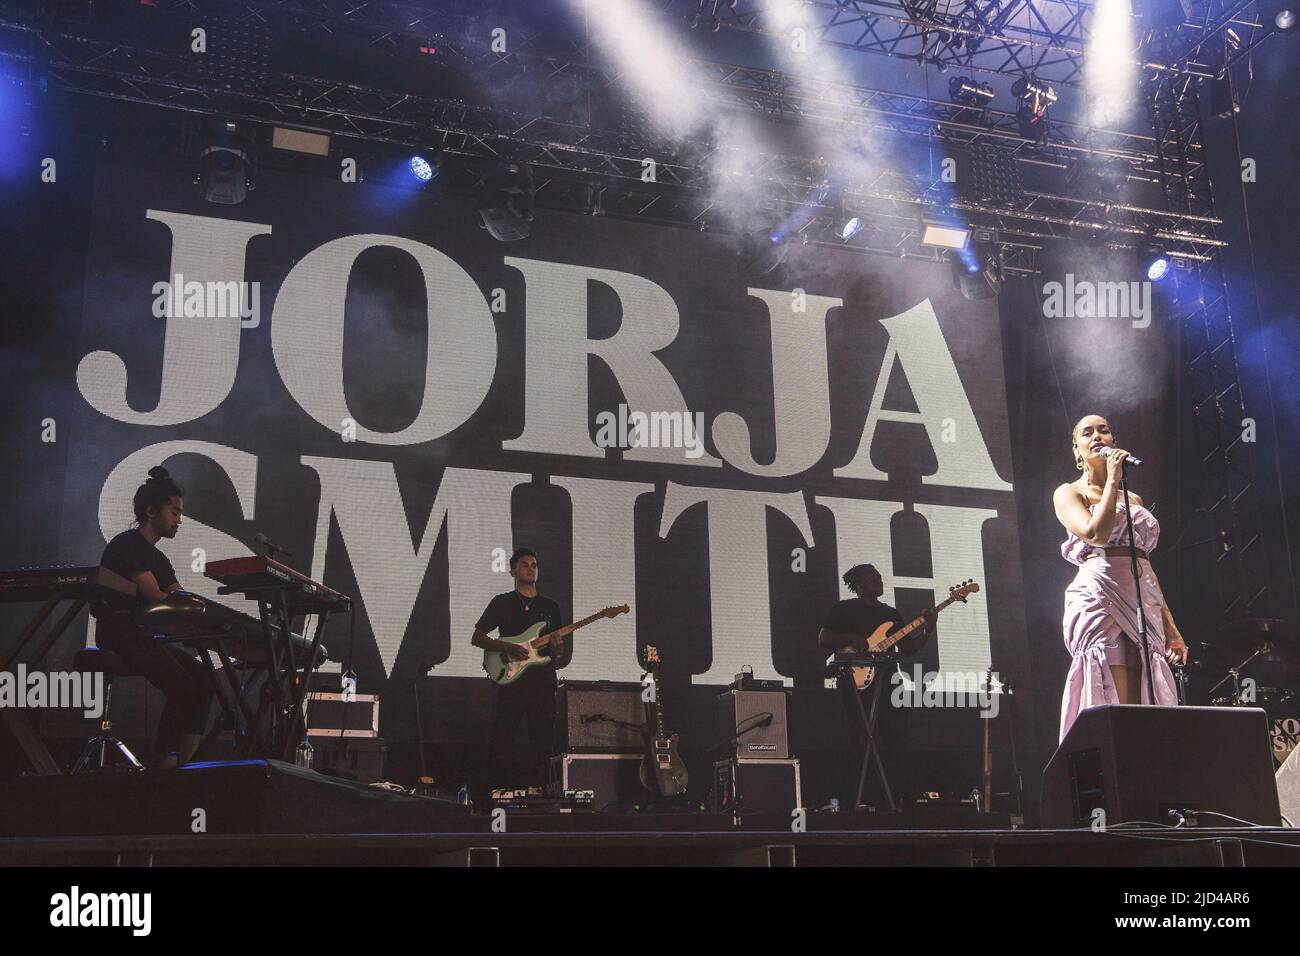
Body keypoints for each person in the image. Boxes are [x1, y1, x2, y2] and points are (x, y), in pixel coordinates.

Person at [1053, 414, 1188, 741]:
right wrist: (1112, 479)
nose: (1098, 436)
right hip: (1100, 595)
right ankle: (1114, 768)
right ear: (1077, 449)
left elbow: (1146, 567)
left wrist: (1172, 628)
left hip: (1140, 596)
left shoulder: (1135, 500)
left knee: (1146, 690)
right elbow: (1095, 534)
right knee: (1113, 690)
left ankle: (1149, 774)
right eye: (1088, 433)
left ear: (1113, 441)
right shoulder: (1068, 493)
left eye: (1104, 430)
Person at [92, 466, 215, 768]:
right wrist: (188, 608)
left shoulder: (160, 558)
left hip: (144, 636)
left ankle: (188, 765)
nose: (179, 520)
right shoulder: (128, 545)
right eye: (174, 512)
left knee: (205, 678)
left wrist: (210, 615)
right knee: (182, 687)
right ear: (151, 511)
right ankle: (165, 766)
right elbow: (157, 598)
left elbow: (181, 597)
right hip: (121, 634)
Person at [471, 548, 567, 795]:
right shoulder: (501, 602)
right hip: (511, 680)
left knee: (543, 738)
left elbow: (558, 655)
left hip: (542, 681)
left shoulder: (550, 607)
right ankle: (494, 790)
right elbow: (477, 636)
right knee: (503, 736)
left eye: (534, 564)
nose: (530, 568)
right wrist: (507, 647)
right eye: (524, 564)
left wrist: (557, 648)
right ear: (513, 570)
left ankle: (539, 790)